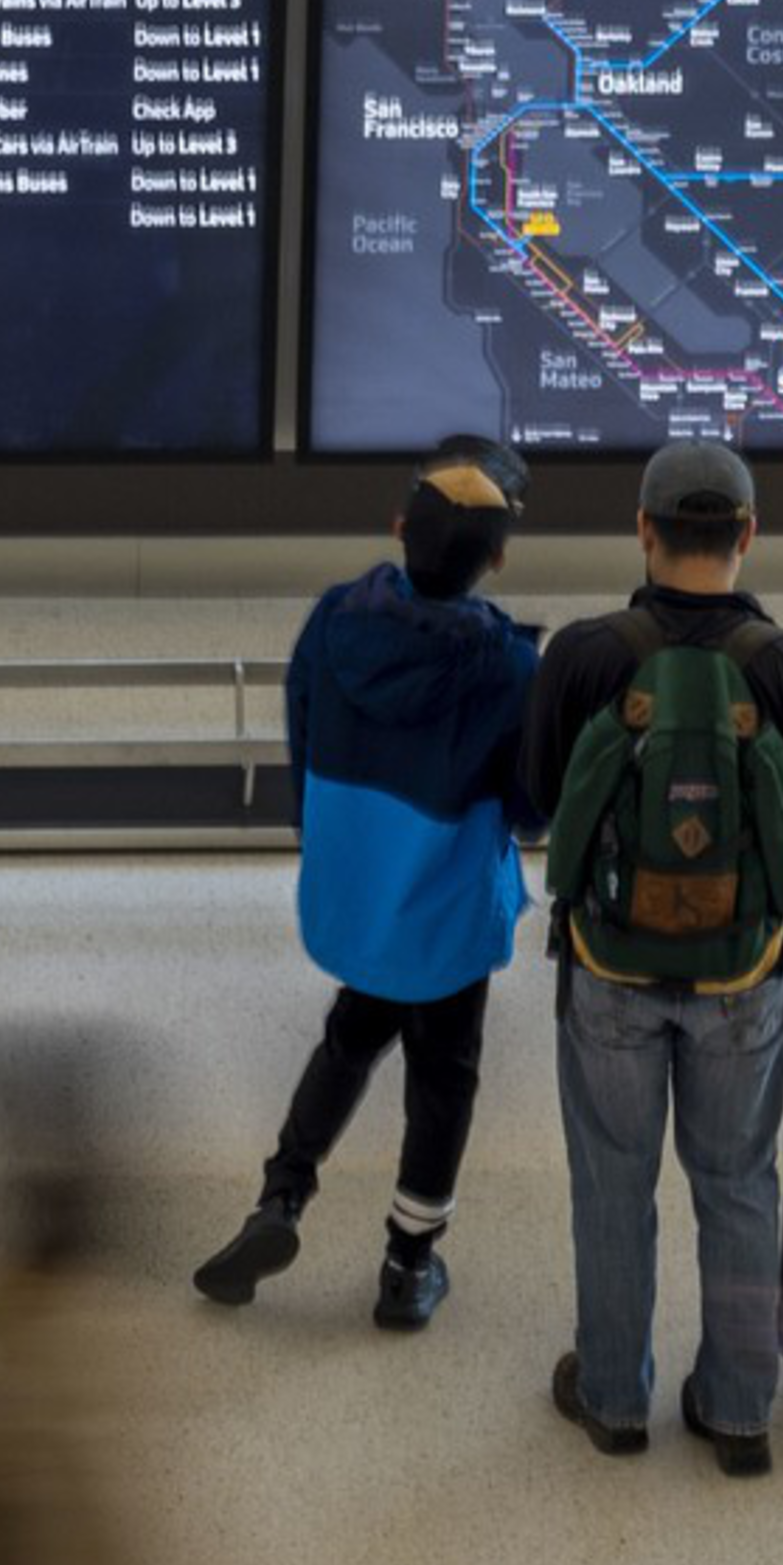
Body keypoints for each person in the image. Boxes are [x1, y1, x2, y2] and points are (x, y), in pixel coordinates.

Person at [514, 441, 783, 1472]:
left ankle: (613, 1397)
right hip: (743, 982)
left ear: (642, 529)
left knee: (612, 1184)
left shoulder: (587, 655)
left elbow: (541, 805)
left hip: (607, 971)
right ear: (750, 536)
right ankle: (736, 1411)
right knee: (737, 1184)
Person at [196, 436, 541, 1334]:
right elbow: (531, 807)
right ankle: (406, 1266)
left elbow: (304, 745)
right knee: (444, 1077)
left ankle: (281, 1198)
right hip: (448, 914)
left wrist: (331, 844)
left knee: (353, 1032)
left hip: (360, 892)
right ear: (497, 558)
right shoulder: (509, 666)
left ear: (397, 528)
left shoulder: (331, 620)